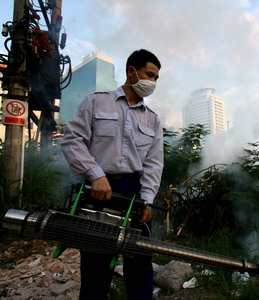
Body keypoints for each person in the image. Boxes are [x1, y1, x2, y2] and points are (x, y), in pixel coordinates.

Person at [61, 49, 164, 300]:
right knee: (96, 267)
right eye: (149, 75)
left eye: (156, 78)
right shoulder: (96, 102)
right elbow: (72, 141)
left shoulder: (153, 120)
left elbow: (153, 163)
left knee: (140, 264)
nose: (153, 82)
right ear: (132, 71)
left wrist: (148, 199)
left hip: (135, 193)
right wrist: (95, 175)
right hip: (98, 192)